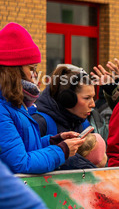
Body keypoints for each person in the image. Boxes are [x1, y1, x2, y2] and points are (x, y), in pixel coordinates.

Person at [0, 22, 83, 173]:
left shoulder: (15, 105)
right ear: (13, 71)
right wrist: (62, 151)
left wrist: (54, 141)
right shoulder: (3, 109)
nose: (35, 75)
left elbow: (25, 148)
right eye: (32, 68)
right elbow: (21, 163)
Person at [32, 64, 95, 140]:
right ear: (68, 99)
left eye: (93, 97)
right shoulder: (39, 123)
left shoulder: (84, 124)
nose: (93, 104)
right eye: (87, 98)